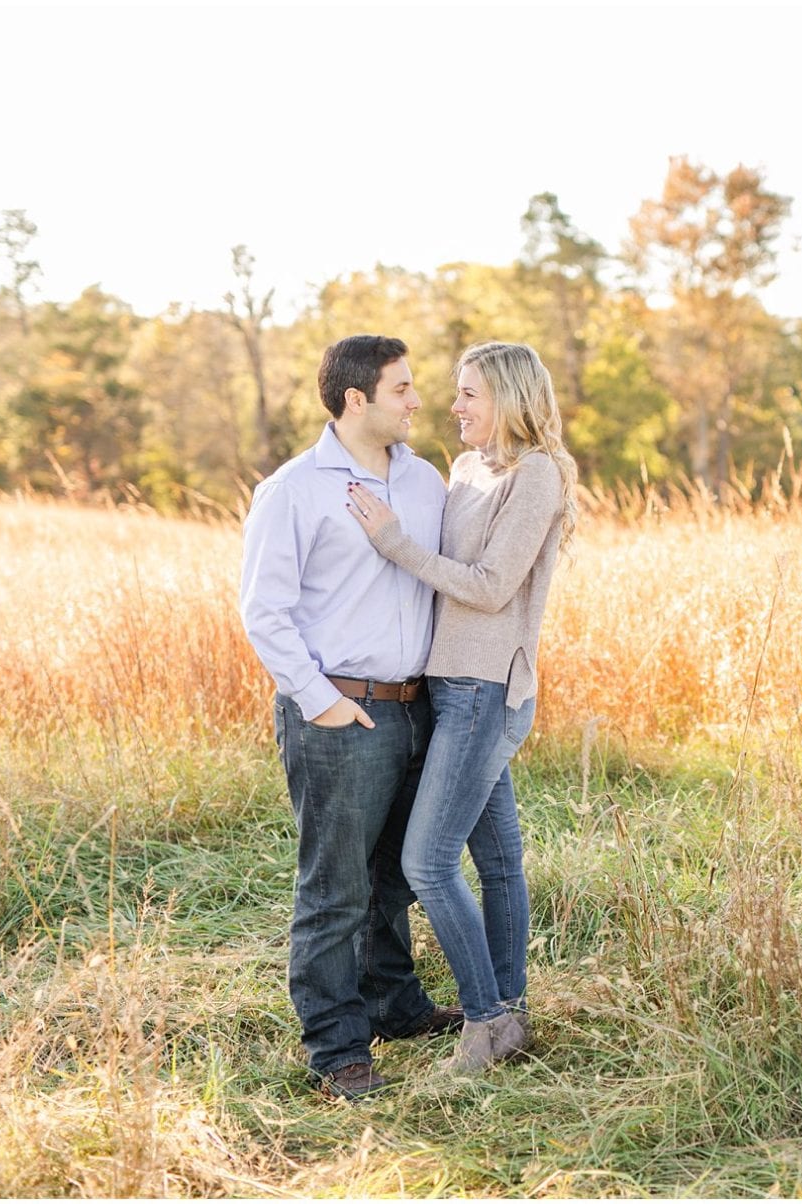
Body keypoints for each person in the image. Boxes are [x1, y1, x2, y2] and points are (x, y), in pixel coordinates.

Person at [239, 334, 463, 1102]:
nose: (418, 400)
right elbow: (263, 610)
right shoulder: (295, 489)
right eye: (403, 388)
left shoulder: (427, 481)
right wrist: (321, 700)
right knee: (334, 890)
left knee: (394, 877)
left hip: (415, 709)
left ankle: (395, 1006)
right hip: (340, 710)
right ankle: (338, 1050)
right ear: (356, 399)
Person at [345, 341, 577, 1074]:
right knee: (499, 862)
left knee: (428, 860)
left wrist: (394, 544)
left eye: (470, 394)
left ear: (507, 398)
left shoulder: (537, 475)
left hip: (487, 690)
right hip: (451, 686)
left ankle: (482, 1022)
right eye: (456, 393)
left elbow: (488, 584)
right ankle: (510, 1016)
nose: (454, 406)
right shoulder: (470, 467)